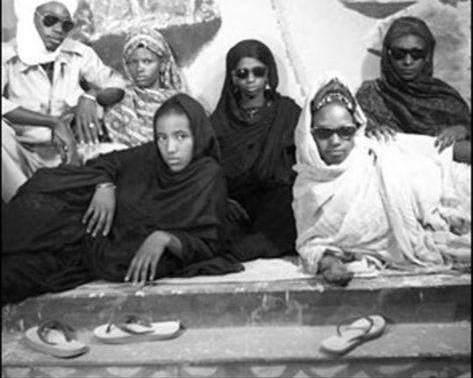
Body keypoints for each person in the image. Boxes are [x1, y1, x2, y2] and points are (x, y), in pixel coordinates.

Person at [2, 94, 238, 305]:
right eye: (162, 137)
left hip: (92, 253)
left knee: (16, 274)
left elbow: (209, 243)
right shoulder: (150, 155)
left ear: (197, 135)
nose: (170, 148)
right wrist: (105, 185)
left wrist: (165, 238)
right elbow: (107, 162)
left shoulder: (207, 176)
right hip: (81, 227)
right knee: (37, 211)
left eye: (181, 137)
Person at [293, 72, 471, 287]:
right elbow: (309, 244)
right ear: (308, 135)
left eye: (345, 131)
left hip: (452, 193)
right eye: (324, 133)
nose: (335, 141)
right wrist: (328, 262)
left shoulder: (378, 148)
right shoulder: (306, 188)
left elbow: (443, 152)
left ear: (357, 128)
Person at [2, 0, 125, 202]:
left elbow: (117, 84)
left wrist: (92, 96)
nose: (59, 30)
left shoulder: (79, 53)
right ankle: (26, 201)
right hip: (22, 157)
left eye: (66, 25)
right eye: (50, 21)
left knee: (124, 155)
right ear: (31, 18)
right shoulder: (7, 56)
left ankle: (52, 194)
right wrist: (53, 123)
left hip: (69, 153)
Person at [210, 39, 301, 261]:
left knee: (287, 203)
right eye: (242, 73)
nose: (251, 79)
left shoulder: (287, 112)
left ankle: (251, 247)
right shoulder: (219, 121)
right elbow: (206, 169)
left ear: (268, 74)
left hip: (276, 207)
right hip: (235, 207)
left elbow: (303, 163)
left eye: (258, 72)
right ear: (232, 77)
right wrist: (222, 199)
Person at [356, 16, 471, 151]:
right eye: (400, 53)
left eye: (416, 54)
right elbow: (352, 138)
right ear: (388, 55)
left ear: (427, 56)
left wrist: (463, 130)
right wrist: (370, 131)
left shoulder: (446, 97)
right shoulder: (370, 94)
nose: (408, 62)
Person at [102, 23, 186, 148]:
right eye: (133, 62)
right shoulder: (119, 104)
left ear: (162, 64)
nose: (139, 68)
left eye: (147, 62)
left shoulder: (180, 104)